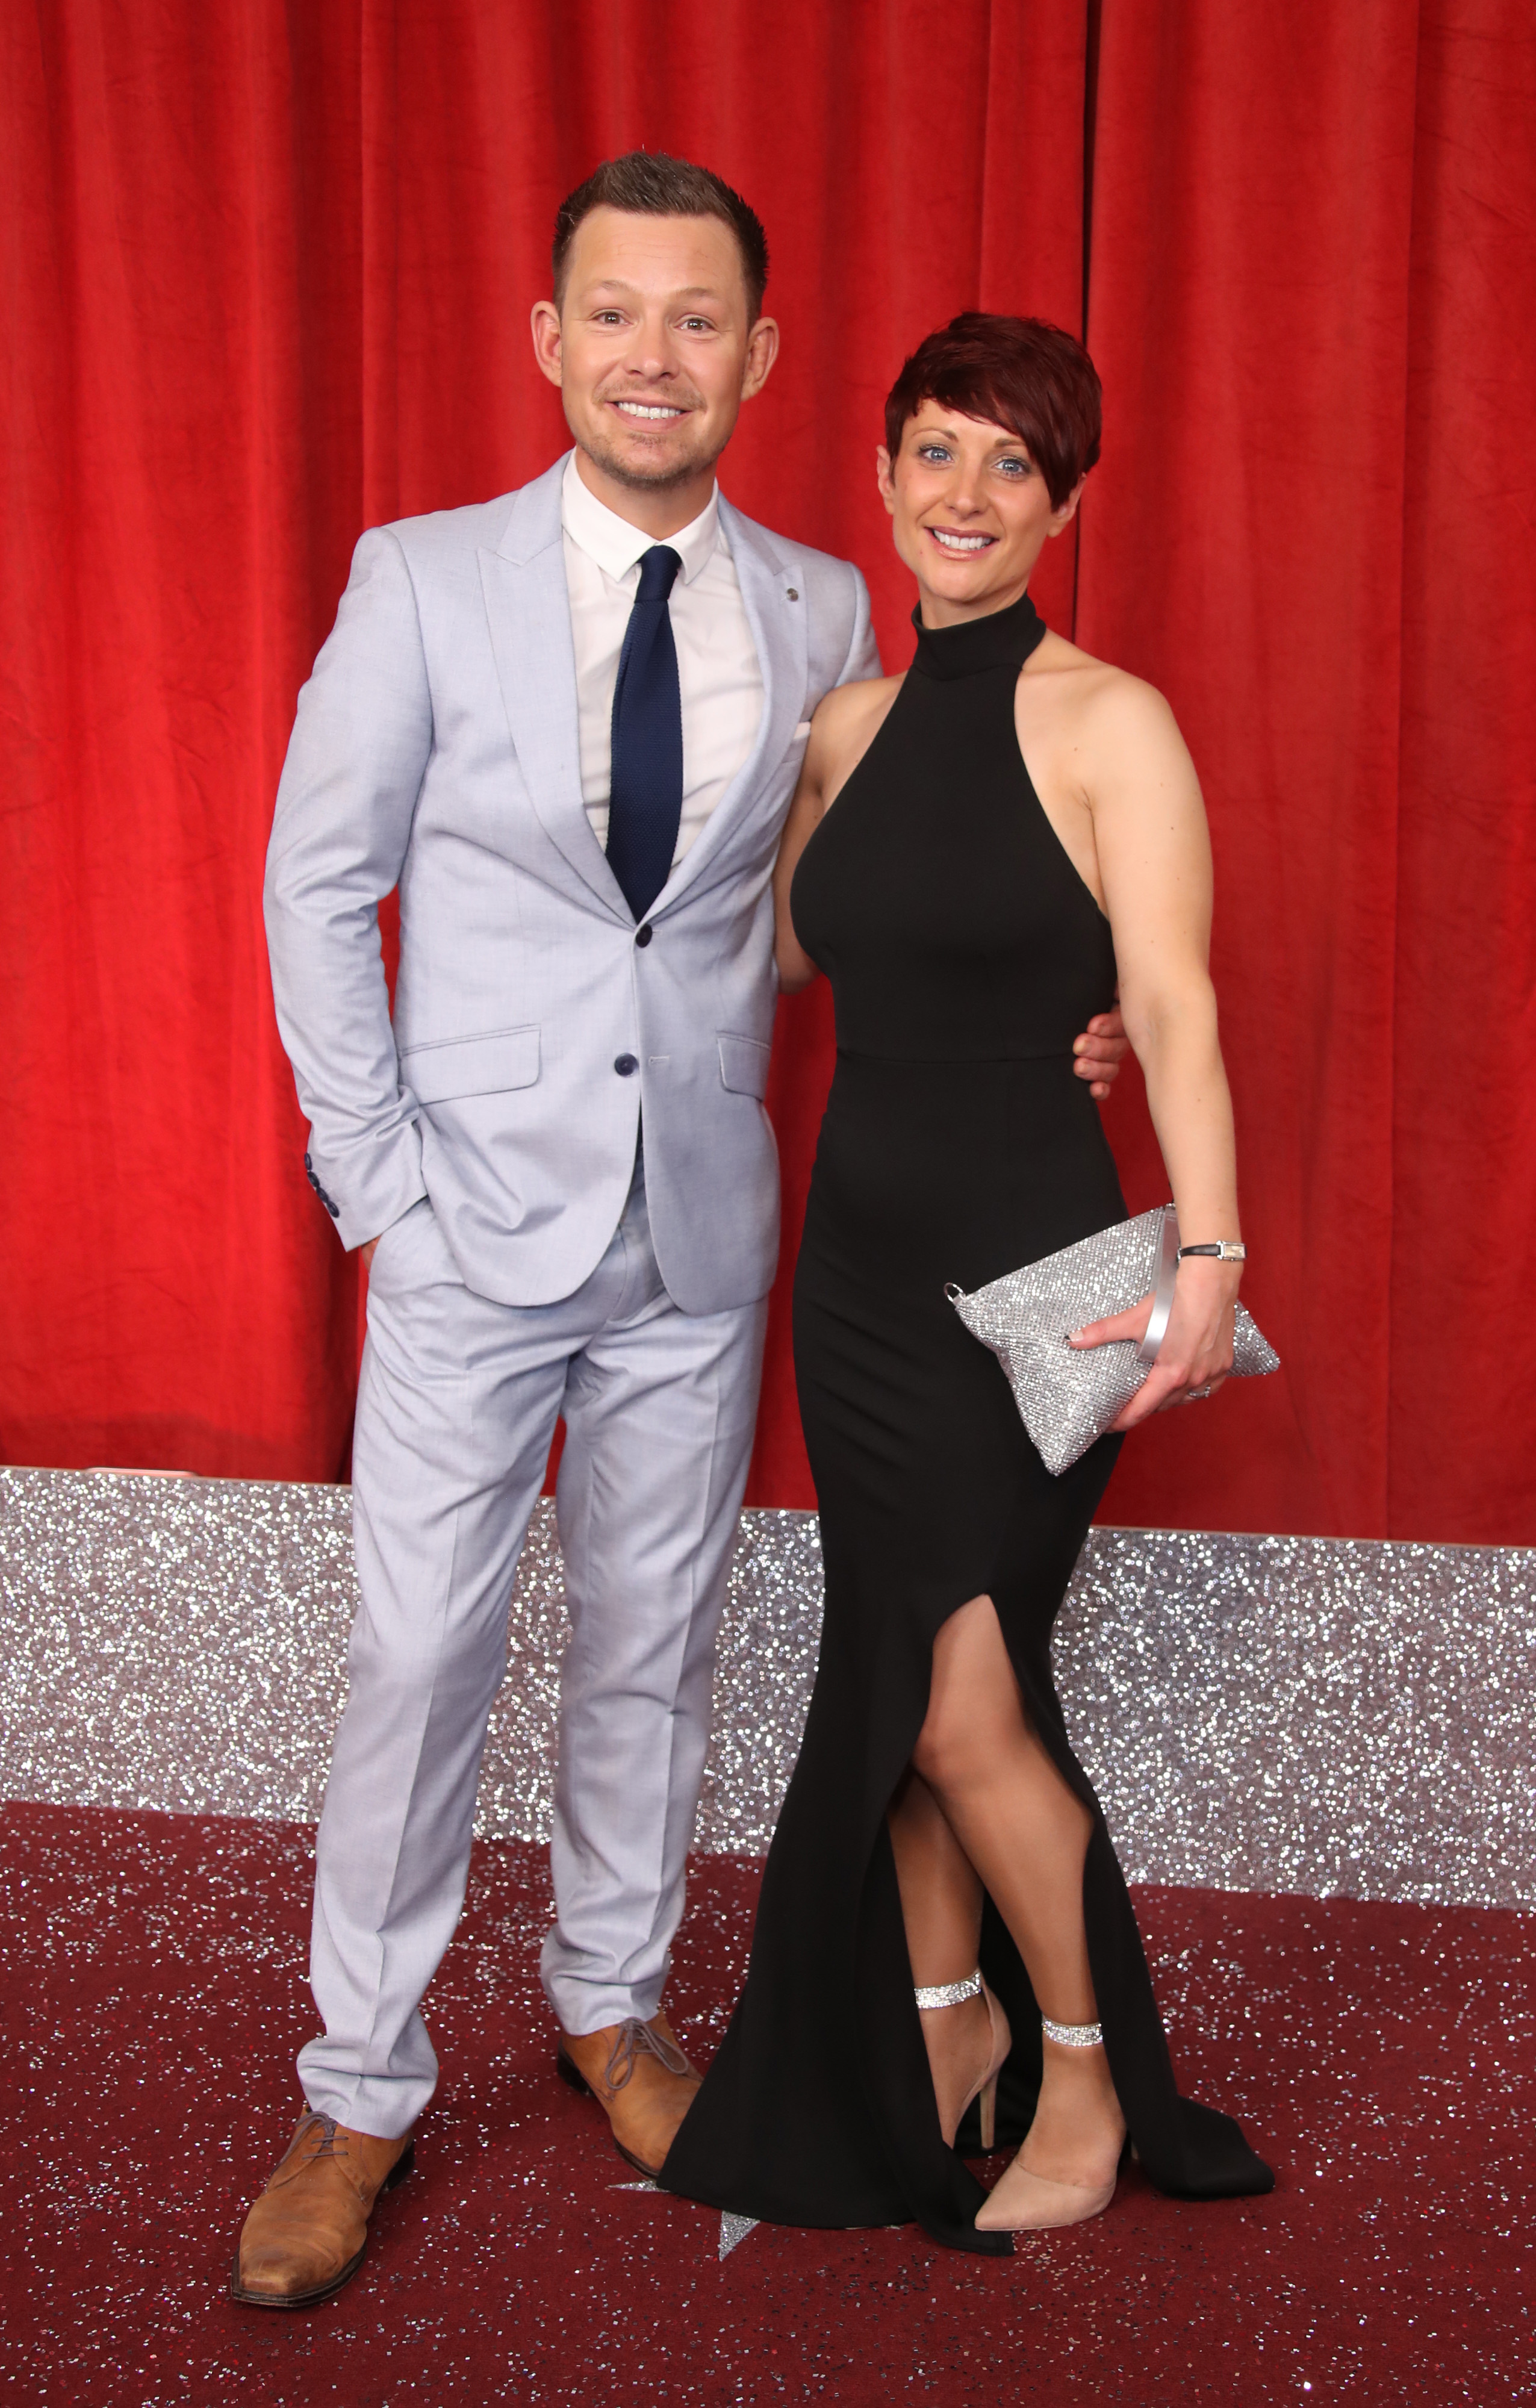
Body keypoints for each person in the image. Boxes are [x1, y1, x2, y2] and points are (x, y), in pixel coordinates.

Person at [237, 168, 1128, 2307]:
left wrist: (1051, 1020)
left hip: (708, 1234)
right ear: (550, 342)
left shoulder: (827, 606)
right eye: (614, 314)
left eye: (699, 318)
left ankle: (607, 2008)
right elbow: (312, 888)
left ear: (761, 359)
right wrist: (386, 1197)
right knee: (420, 1660)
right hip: (468, 1229)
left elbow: (817, 925)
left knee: (657, 1648)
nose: (655, 353)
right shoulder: (422, 581)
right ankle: (359, 2087)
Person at [661, 313, 1274, 2254]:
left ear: (1067, 504)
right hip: (853, 1277)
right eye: (937, 451)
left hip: (1041, 1281)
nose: (968, 495)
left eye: (1014, 465)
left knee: (959, 1711)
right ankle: (949, 2043)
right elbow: (788, 955)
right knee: (899, 1697)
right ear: (883, 476)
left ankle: (1081, 2078)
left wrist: (1207, 1247)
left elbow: (1171, 997)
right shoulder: (842, 725)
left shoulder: (1116, 719)